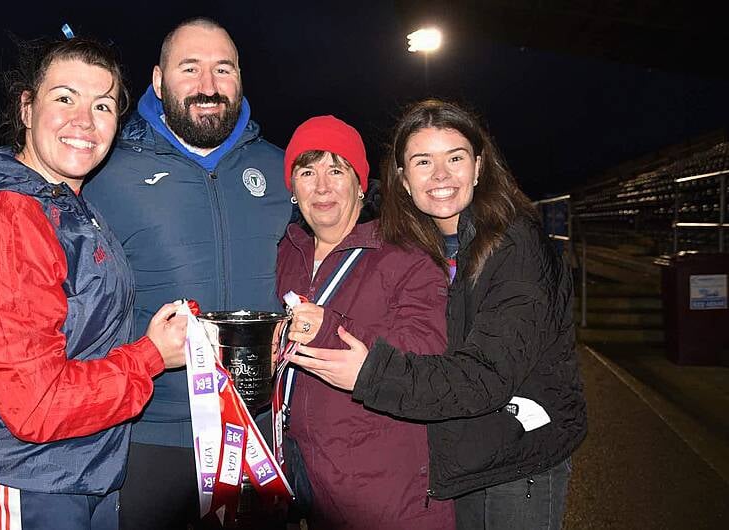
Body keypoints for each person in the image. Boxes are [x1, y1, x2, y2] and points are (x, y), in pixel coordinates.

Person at [0, 35, 188, 530]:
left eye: (102, 105)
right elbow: (36, 404)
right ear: (26, 108)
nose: (83, 121)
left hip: (76, 468)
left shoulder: (67, 207)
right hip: (20, 474)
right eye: (64, 97)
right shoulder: (8, 217)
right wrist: (151, 357)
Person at [290, 99, 587, 530]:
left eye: (455, 158)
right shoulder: (421, 245)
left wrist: (370, 374)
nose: (441, 175)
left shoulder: (515, 245)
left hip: (519, 460)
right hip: (466, 455)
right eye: (423, 161)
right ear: (403, 179)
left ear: (479, 166)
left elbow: (486, 374)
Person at [80, 17, 292, 529]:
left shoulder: (283, 169)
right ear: (157, 81)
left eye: (223, 69)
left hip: (258, 432)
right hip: (151, 435)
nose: (207, 86)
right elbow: (51, 279)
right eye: (189, 68)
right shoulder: (106, 173)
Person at [277, 115, 456, 529]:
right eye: (307, 171)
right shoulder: (289, 252)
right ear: (293, 188)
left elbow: (428, 348)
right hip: (301, 466)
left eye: (336, 170)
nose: (321, 186)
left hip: (382, 486)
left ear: (361, 185)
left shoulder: (402, 253)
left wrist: (328, 329)